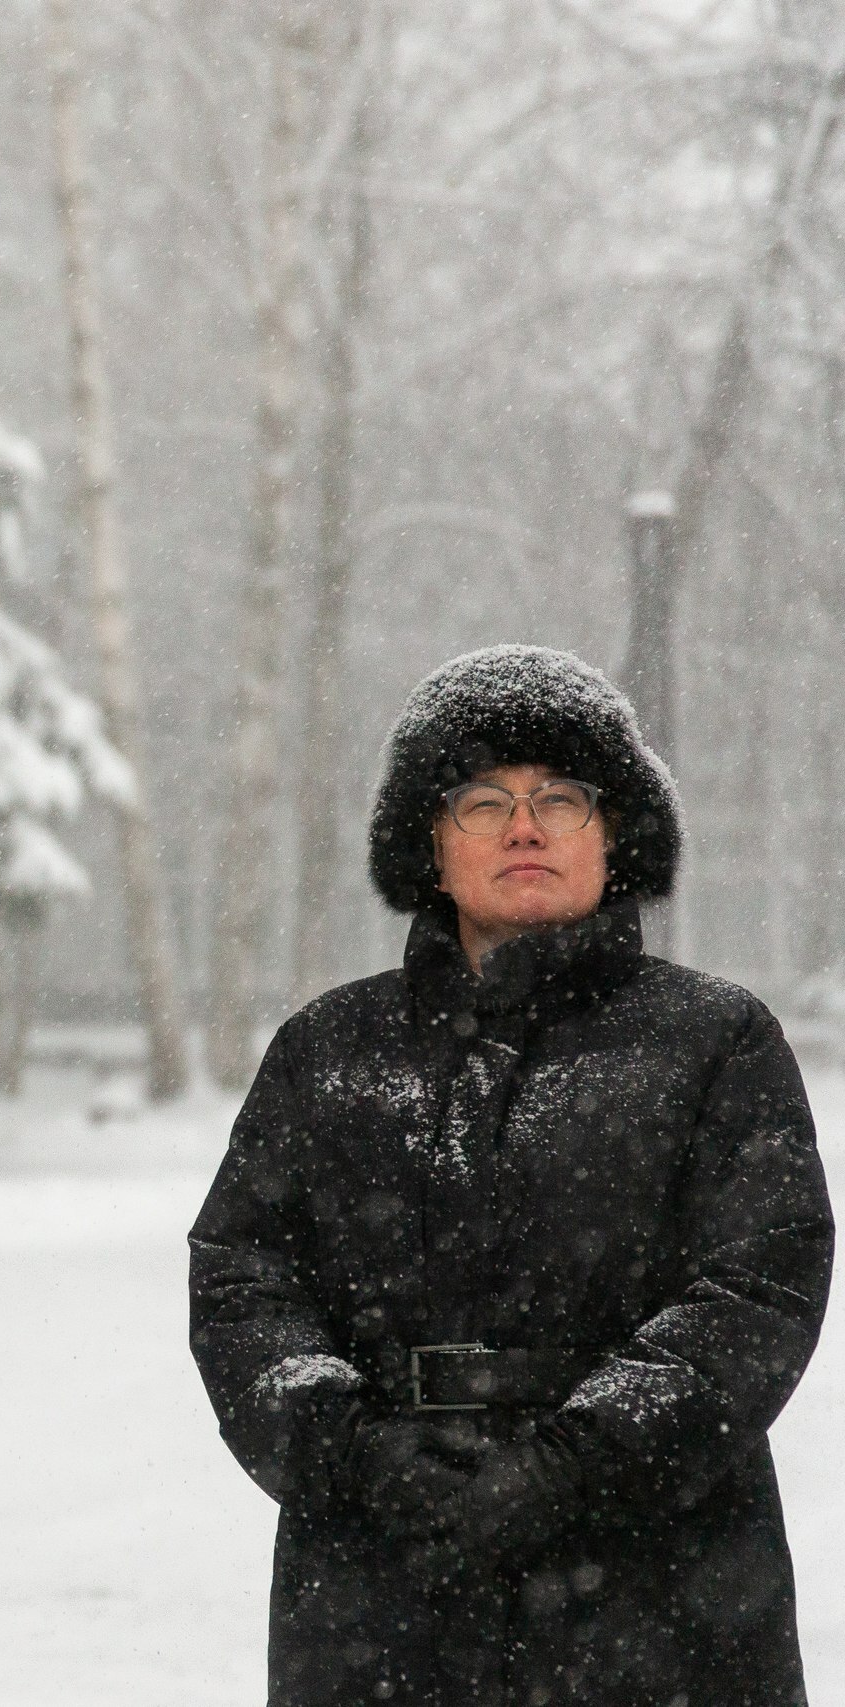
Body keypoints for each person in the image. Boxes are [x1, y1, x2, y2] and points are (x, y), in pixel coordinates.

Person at [190, 644, 834, 1707]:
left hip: (656, 1584)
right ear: (428, 844)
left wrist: (579, 1461)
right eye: (482, 800)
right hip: (377, 1589)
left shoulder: (714, 1041)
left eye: (561, 798)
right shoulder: (329, 1050)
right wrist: (356, 1456)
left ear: (614, 835)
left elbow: (755, 1290)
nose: (523, 827)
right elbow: (242, 1283)